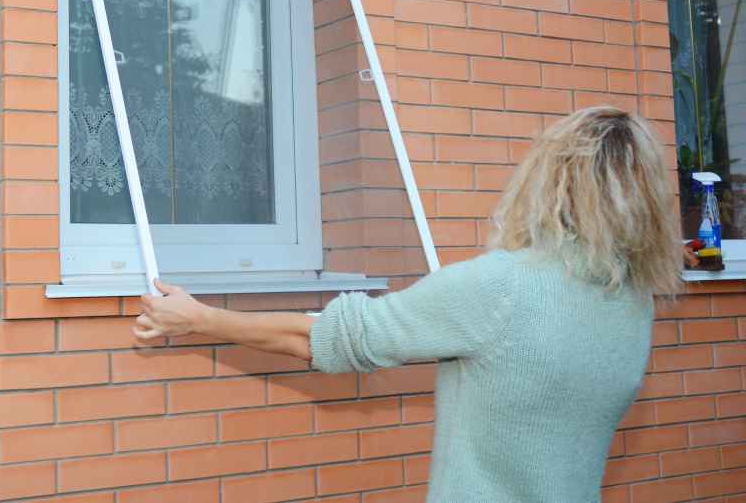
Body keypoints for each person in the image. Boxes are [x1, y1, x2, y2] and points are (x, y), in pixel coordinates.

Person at [134, 106, 683, 502]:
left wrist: (198, 318)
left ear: (550, 181)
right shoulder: (633, 303)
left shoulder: (502, 288)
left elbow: (324, 338)